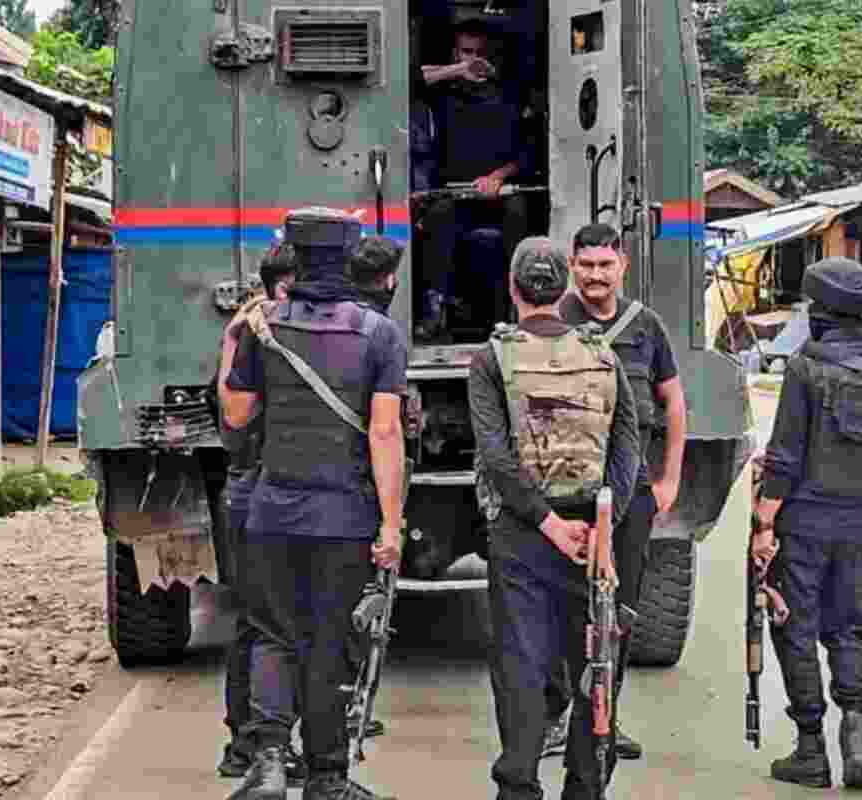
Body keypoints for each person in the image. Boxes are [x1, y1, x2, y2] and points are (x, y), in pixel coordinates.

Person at [221, 209, 408, 800]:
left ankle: (270, 762)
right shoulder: (379, 334)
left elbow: (236, 414)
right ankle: (326, 776)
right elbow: (385, 433)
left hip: (273, 509)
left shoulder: (263, 327)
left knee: (272, 633)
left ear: (295, 259)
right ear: (351, 260)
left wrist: (239, 346)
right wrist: (391, 523)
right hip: (343, 515)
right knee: (329, 640)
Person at [470, 237, 640, 800]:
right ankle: (585, 787)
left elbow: (496, 457)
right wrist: (602, 528)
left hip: (523, 532)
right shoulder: (602, 352)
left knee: (521, 665)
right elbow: (627, 448)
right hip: (592, 533)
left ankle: (518, 786)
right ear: (565, 286)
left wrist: (547, 524)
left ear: (512, 288)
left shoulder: (492, 358)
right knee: (595, 660)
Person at [750, 256, 862, 789]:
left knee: (794, 627)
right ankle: (856, 737)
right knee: (848, 630)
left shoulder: (805, 369)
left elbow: (784, 457)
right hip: (856, 528)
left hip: (801, 525)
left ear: (822, 312)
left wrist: (764, 523)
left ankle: (811, 750)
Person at [540, 223, 688, 763]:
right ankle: (556, 718)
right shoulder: (552, 321)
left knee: (618, 610)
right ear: (572, 267)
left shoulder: (645, 325)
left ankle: (604, 716)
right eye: (586, 266)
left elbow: (673, 403)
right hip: (565, 491)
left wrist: (669, 480)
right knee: (562, 607)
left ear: (623, 265)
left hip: (630, 489)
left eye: (605, 265)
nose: (596, 276)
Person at [214, 243, 301, 783]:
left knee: (270, 623)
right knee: (259, 623)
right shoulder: (251, 337)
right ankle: (246, 744)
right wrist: (232, 341)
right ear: (279, 288)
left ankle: (262, 742)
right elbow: (234, 420)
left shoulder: (273, 334)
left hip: (265, 490)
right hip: (253, 489)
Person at [413, 18, 536, 337]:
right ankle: (436, 309)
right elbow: (409, 77)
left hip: (500, 192)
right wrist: (458, 70)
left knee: (519, 213)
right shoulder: (442, 93)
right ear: (455, 53)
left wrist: (498, 177)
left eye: (480, 53)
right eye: (467, 52)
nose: (475, 60)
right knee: (438, 218)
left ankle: (517, 309)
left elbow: (529, 152)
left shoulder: (510, 94)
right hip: (452, 195)